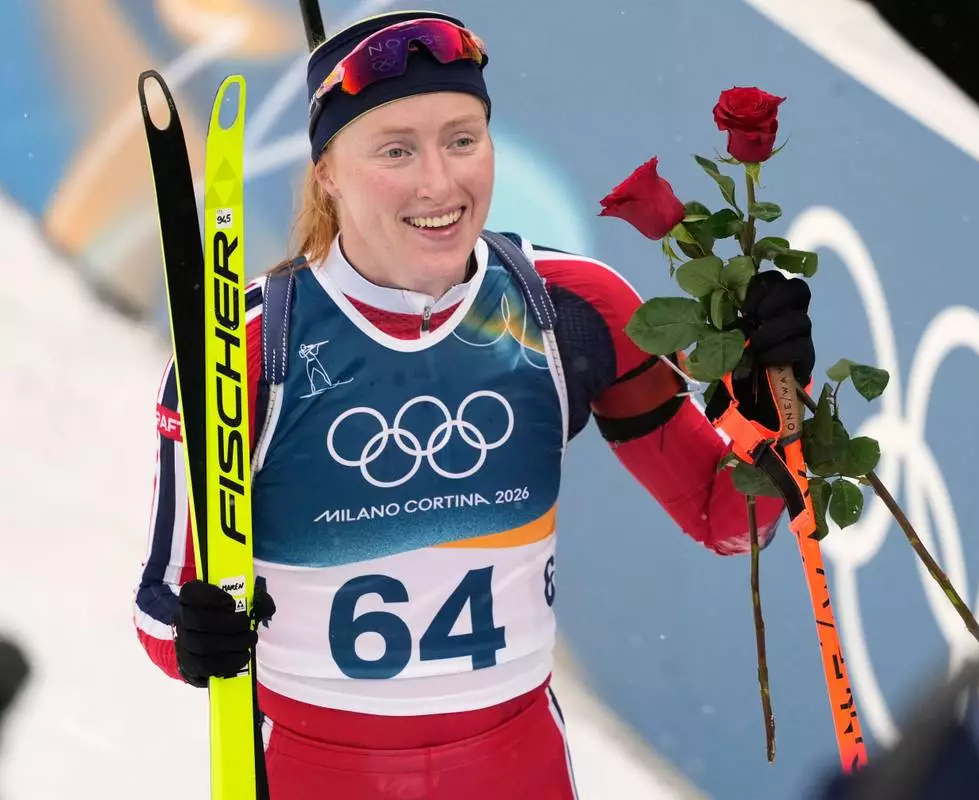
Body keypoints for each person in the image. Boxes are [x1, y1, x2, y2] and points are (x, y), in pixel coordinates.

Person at [133, 10, 816, 799]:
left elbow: (724, 517)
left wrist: (776, 400)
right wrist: (194, 634)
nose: (440, 183)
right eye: (396, 150)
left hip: (513, 761)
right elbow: (161, 597)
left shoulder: (570, 307)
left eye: (462, 139)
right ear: (325, 171)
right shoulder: (249, 350)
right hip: (314, 763)